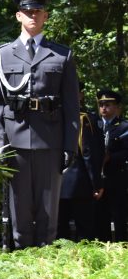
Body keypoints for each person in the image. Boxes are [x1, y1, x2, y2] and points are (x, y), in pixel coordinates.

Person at [0, 0, 79, 249]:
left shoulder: (62, 55)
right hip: (14, 146)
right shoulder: (1, 55)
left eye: (37, 11)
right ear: (18, 16)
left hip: (50, 143)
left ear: (46, 15)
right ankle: (21, 270)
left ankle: (45, 273)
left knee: (48, 217)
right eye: (27, 11)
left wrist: (70, 146)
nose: (33, 16)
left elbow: (72, 107)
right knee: (20, 217)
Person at [57, 82, 103, 241]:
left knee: (60, 234)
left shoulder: (51, 118)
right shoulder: (82, 119)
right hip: (79, 184)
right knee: (85, 232)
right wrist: (97, 183)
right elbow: (88, 153)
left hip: (56, 183)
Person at [94, 89, 128, 241]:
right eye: (101, 104)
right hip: (98, 180)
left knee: (119, 218)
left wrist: (110, 158)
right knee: (100, 219)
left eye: (108, 104)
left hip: (118, 179)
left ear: (117, 107)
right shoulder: (94, 126)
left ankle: (121, 250)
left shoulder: (124, 127)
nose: (104, 108)